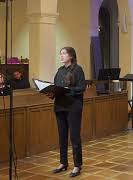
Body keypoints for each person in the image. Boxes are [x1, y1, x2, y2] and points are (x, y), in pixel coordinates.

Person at [47, 47, 86, 177]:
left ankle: (77, 165)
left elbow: (81, 88)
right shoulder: (60, 70)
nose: (61, 56)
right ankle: (63, 163)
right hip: (60, 107)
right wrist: (51, 93)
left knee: (74, 137)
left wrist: (67, 90)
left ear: (71, 56)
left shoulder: (77, 69)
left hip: (73, 107)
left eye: (64, 53)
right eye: (61, 54)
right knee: (62, 137)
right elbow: (56, 86)